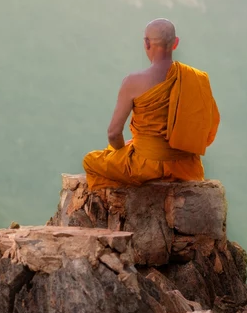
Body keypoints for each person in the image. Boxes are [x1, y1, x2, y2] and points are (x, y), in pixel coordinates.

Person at [82, 18, 220, 190]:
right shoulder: (197, 79)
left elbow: (114, 133)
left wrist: (123, 152)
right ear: (175, 43)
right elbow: (207, 129)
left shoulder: (133, 82)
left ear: (147, 43)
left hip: (145, 166)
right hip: (185, 168)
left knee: (90, 160)